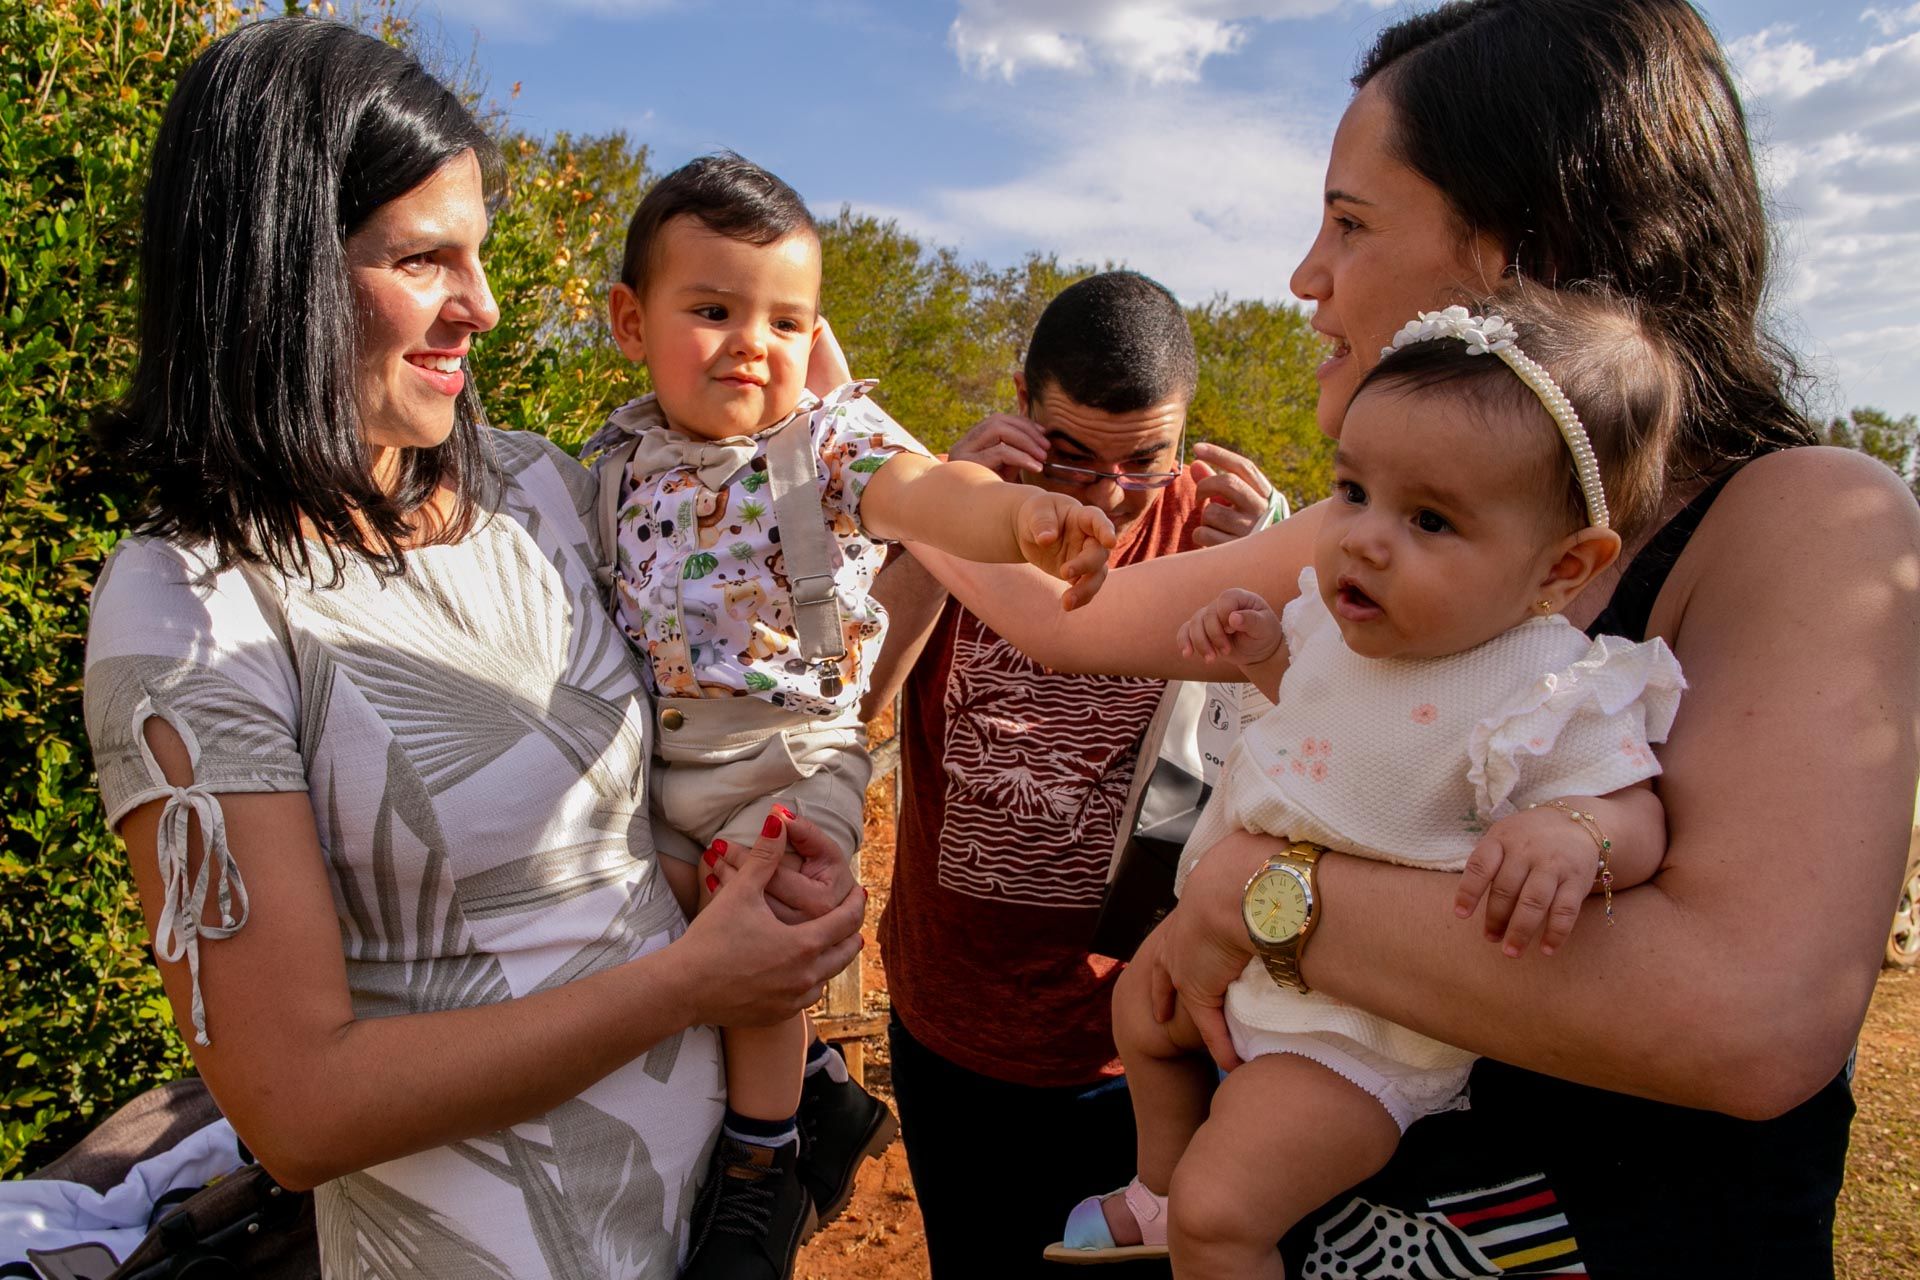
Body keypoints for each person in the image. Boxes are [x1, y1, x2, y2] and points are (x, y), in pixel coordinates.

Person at [907, 1, 1920, 1274]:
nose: (1306, 275)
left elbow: (1747, 1018)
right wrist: (872, 469)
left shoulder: (1806, 515)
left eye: (1350, 221)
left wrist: (1256, 892)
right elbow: (1077, 616)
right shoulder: (1382, 536)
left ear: (1524, 254)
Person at [81, 21, 865, 1278]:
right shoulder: (191, 610)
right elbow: (298, 1110)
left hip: (704, 1225)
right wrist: (693, 982)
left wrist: (776, 858)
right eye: (424, 258)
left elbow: (710, 730)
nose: (484, 306)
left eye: (480, 252)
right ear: (274, 266)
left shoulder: (540, 489)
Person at [1050, 294, 1686, 1275]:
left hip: (1360, 1033)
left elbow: (1634, 808)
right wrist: (1263, 650)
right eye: (1352, 490)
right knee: (1140, 1007)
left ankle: (1198, 1223)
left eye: (1429, 518)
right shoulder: (1345, 627)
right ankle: (1159, 1189)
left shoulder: (1542, 683)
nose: (1364, 538)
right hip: (1251, 955)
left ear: (1562, 568)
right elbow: (1316, 715)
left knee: (1228, 1208)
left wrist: (1574, 832)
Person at [583, 152, 1114, 1279]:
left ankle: (764, 1165)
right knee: (631, 915)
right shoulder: (612, 464)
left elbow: (926, 490)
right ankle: (808, 1093)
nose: (753, 344)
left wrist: (1020, 518)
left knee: (754, 908)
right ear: (632, 322)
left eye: (786, 321)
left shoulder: (822, 444)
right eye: (714, 310)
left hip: (789, 752)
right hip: (655, 755)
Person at [862, 270, 1283, 1277]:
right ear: (1021, 402)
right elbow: (859, 693)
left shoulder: (1225, 533)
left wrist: (1271, 572)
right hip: (949, 1028)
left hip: (1143, 1050)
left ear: (1187, 431)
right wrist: (940, 524)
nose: (1107, 495)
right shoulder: (965, 510)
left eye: (1144, 462)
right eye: (1072, 456)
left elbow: (1311, 748)